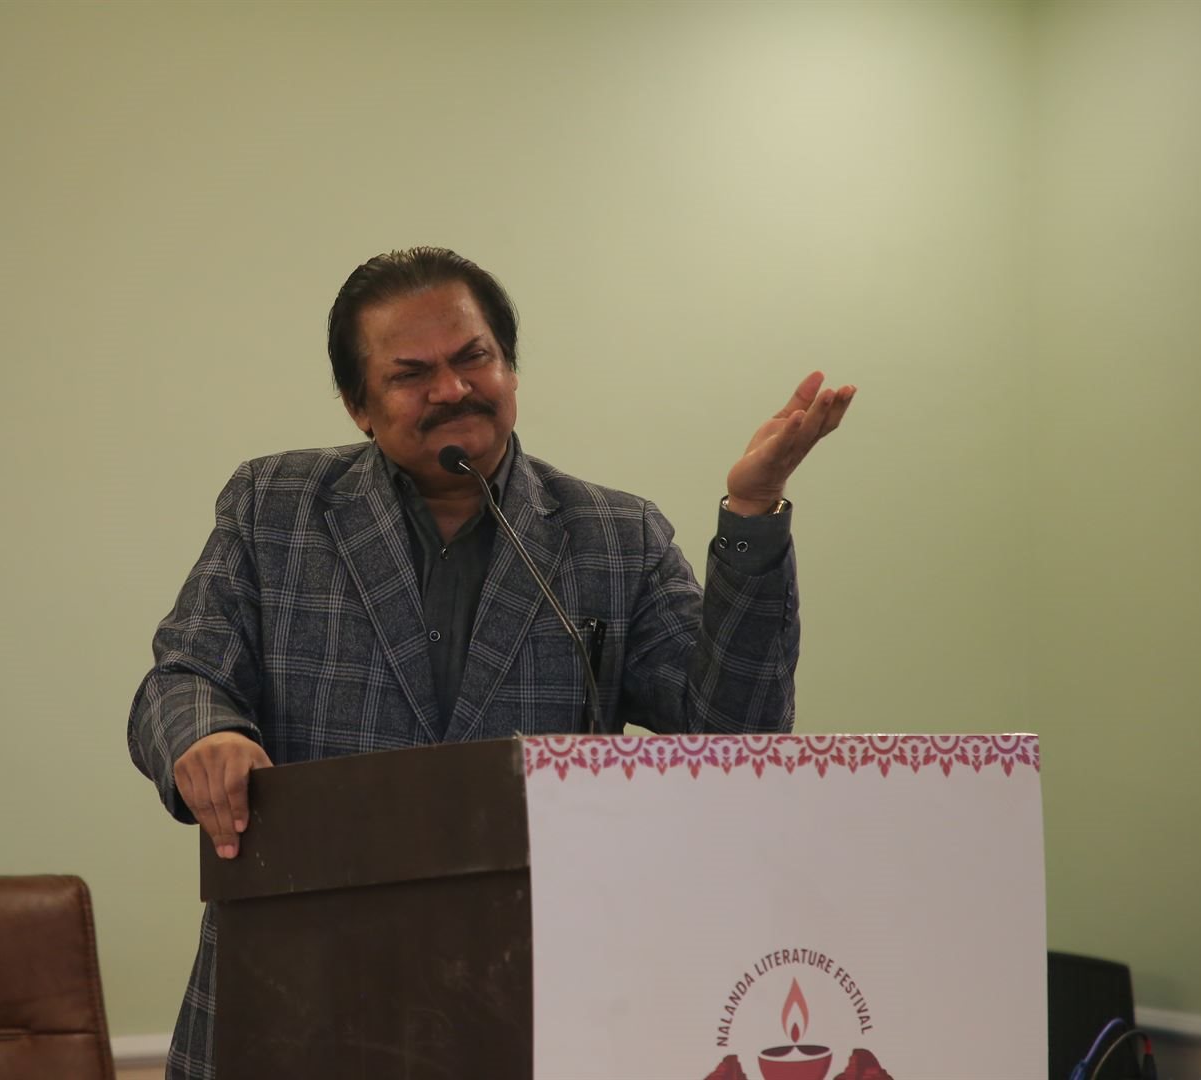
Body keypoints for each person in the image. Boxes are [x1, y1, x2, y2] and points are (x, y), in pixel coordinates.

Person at [128, 247, 855, 1079]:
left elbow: (733, 740)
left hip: (536, 996)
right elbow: (182, 675)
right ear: (358, 405)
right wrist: (204, 735)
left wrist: (751, 512)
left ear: (509, 368)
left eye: (472, 358)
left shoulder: (614, 536)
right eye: (411, 374)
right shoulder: (276, 506)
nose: (451, 389)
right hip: (301, 986)